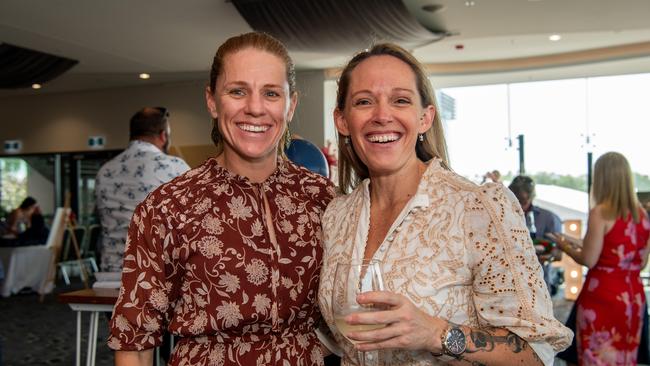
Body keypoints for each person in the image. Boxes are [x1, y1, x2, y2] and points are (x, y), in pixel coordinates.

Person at [317, 43, 572, 366]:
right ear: (342, 120)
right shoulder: (337, 215)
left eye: (400, 100)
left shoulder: (478, 207)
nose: (382, 115)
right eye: (364, 102)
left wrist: (437, 333)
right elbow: (335, 337)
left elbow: (538, 353)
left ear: (425, 117)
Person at [108, 32, 335, 366]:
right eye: (237, 91)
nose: (255, 108)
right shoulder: (169, 207)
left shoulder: (324, 199)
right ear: (212, 101)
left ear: (291, 106)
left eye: (271, 93)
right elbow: (135, 341)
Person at [549, 152, 650, 365]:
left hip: (602, 296)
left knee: (596, 357)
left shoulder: (601, 213)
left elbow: (589, 258)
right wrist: (571, 240)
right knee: (623, 358)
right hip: (632, 298)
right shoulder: (641, 216)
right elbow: (639, 263)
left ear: (602, 178)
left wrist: (563, 246)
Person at [95, 106, 190, 272]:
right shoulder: (175, 167)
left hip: (112, 274)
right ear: (163, 136)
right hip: (157, 275)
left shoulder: (105, 171)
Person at [508, 175, 564, 296]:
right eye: (515, 201)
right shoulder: (502, 217)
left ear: (531, 197)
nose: (519, 207)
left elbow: (559, 255)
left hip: (539, 285)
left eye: (523, 202)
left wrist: (548, 256)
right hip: (509, 285)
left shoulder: (549, 218)